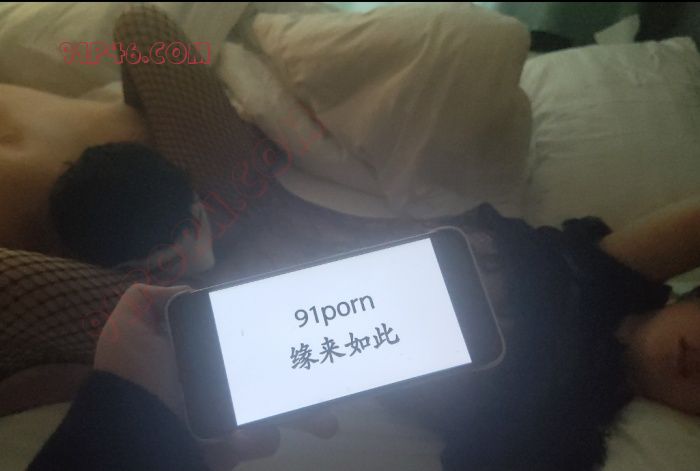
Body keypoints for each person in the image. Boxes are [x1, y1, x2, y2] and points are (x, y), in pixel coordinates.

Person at [2, 5, 700, 471]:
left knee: (18, 295)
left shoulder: (561, 429)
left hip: (206, 315)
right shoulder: (607, 270)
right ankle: (131, 184)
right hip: (252, 193)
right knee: (147, 28)